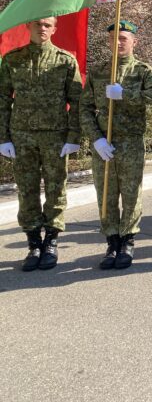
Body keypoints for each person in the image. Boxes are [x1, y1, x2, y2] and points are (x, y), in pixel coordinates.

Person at [80, 20, 152, 269]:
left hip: (130, 143)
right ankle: (111, 242)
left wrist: (126, 94)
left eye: (123, 38)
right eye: (113, 38)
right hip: (103, 144)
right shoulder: (98, 72)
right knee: (105, 196)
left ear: (134, 42)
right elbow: (84, 108)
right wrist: (95, 139)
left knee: (130, 194)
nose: (117, 43)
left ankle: (127, 241)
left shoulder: (142, 70)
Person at [0, 17, 82, 271]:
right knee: (26, 190)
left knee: (56, 189)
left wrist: (73, 137)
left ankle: (51, 242)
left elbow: (77, 101)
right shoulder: (12, 59)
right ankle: (34, 243)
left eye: (47, 25)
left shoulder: (65, 60)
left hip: (55, 137)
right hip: (22, 136)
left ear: (54, 29)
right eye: (38, 24)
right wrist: (3, 137)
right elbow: (2, 99)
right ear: (27, 26)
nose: (42, 28)